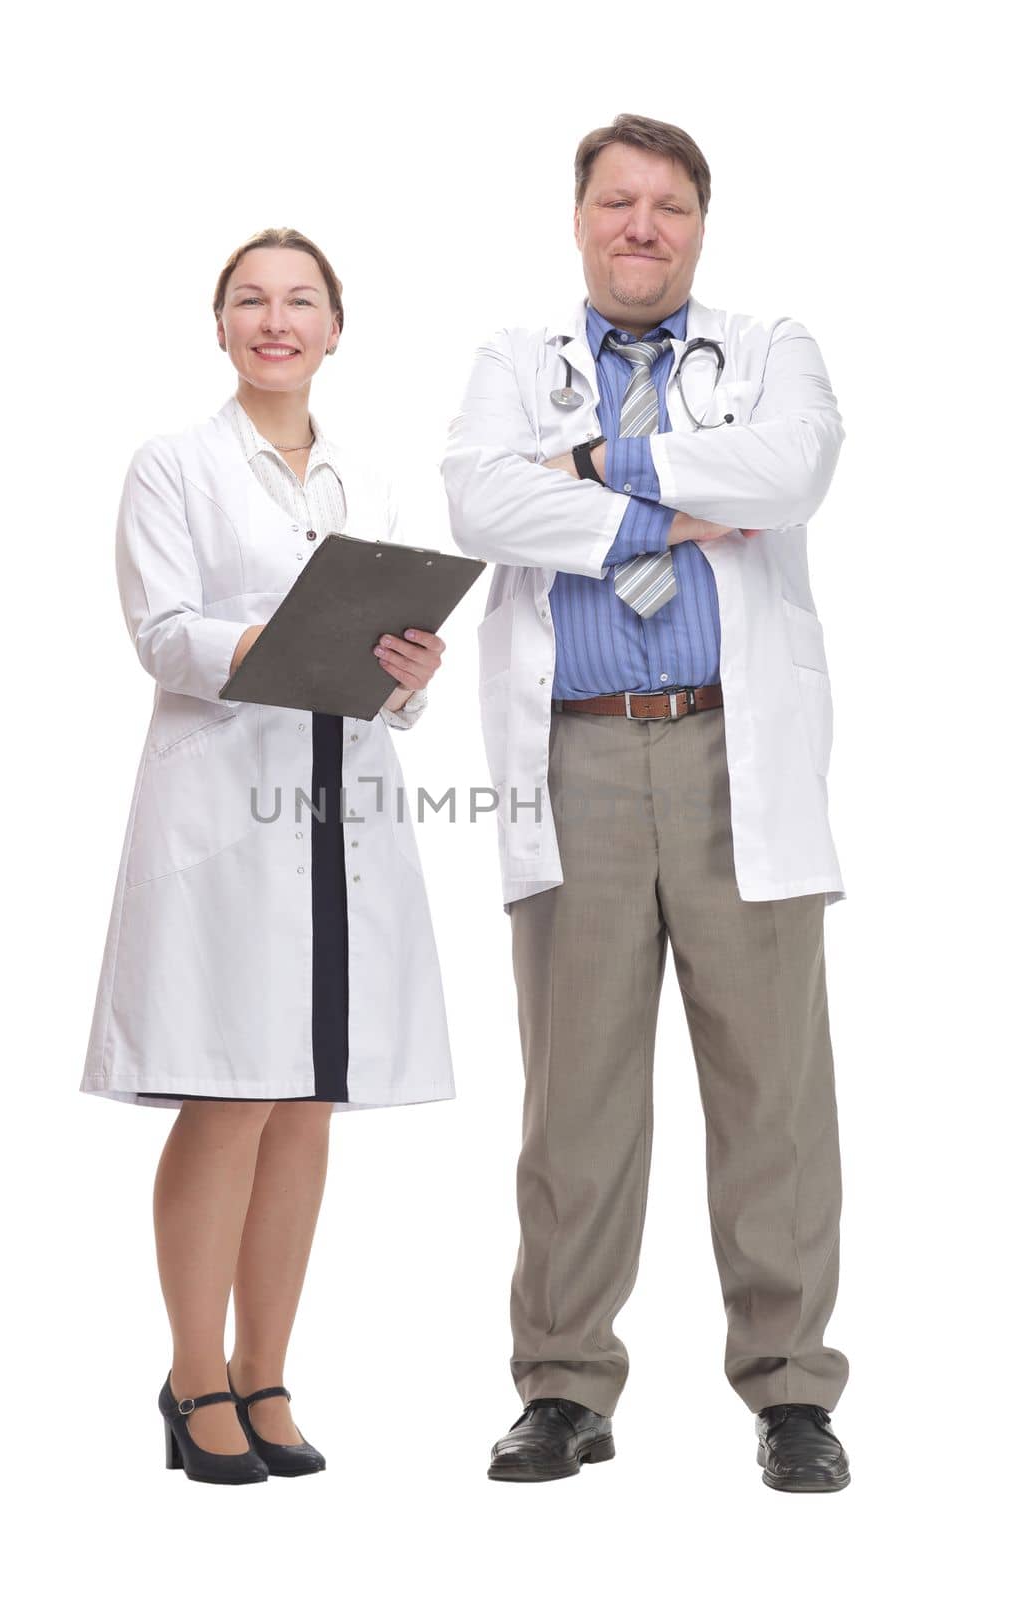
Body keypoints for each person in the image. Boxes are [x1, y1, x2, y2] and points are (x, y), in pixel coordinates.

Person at [442, 115, 851, 1492]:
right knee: (575, 1095)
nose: (640, 227)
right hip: (577, 758)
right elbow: (477, 503)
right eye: (615, 202)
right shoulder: (514, 365)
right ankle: (562, 1388)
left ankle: (789, 1391)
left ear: (696, 226)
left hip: (733, 750)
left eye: (666, 206)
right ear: (576, 220)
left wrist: (589, 472)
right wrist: (671, 503)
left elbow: (789, 470)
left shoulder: (769, 346)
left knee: (771, 1092)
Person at [81, 227, 453, 1485]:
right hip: (221, 815)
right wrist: (283, 638)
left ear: (336, 329)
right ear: (222, 325)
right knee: (228, 1086)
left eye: (301, 301)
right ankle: (193, 1378)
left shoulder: (366, 480)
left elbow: (389, 688)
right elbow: (165, 635)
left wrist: (405, 674)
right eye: (251, 300)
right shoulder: (172, 465)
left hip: (340, 810)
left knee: (303, 1098)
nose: (275, 319)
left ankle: (266, 1371)